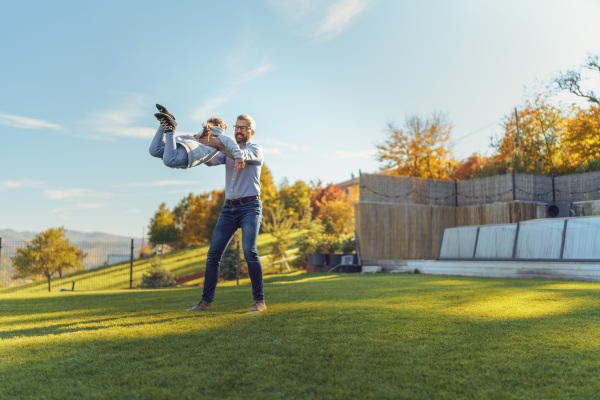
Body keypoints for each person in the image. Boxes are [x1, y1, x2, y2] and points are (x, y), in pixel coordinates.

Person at [186, 114, 266, 313]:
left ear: (251, 132)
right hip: (228, 209)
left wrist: (219, 144)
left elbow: (240, 155)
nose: (238, 130)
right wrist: (203, 144)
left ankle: (259, 302)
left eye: (243, 128)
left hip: (250, 207)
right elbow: (210, 161)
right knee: (213, 254)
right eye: (237, 127)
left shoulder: (255, 150)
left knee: (250, 251)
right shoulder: (227, 149)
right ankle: (206, 302)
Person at [149, 104, 245, 169]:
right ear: (223, 128)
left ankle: (164, 122)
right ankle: (170, 128)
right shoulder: (221, 137)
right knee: (169, 161)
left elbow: (210, 162)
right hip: (191, 152)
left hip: (185, 144)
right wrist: (239, 157)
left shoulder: (204, 133)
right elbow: (233, 145)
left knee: (154, 150)